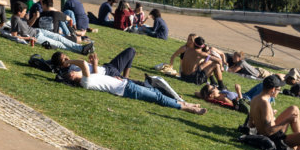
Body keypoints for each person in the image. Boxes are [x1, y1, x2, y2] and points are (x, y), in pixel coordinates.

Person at [61, 53, 205, 115]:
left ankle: (186, 104)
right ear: (73, 77)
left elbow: (97, 75)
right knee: (157, 97)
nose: (73, 71)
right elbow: (83, 65)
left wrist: (95, 64)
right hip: (126, 89)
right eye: (71, 73)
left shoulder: (90, 79)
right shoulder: (85, 82)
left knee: (157, 93)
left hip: (124, 84)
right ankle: (187, 108)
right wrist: (69, 61)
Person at [249, 75, 300, 150]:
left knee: (294, 109)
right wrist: (287, 120)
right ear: (273, 89)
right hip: (275, 139)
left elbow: (251, 124)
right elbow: (269, 132)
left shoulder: (255, 99)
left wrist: (265, 118)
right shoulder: (265, 104)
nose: (279, 92)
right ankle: (299, 146)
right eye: (278, 89)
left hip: (269, 133)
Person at [8, 5, 94, 55]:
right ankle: (81, 50)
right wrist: (28, 38)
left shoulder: (20, 18)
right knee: (58, 44)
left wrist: (34, 17)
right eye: (24, 11)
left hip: (38, 30)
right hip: (35, 36)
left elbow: (29, 25)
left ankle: (81, 48)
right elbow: (14, 35)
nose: (25, 13)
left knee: (59, 37)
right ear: (19, 12)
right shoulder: (15, 19)